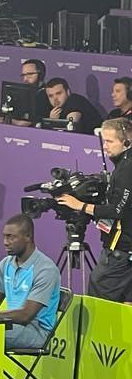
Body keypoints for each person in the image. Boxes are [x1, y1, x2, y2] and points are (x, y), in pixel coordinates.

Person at [59, 118, 132, 304]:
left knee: (99, 296)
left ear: (126, 142)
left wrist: (80, 206)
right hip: (124, 250)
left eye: (109, 141)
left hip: (121, 250)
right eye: (104, 141)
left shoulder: (127, 168)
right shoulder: (123, 164)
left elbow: (117, 210)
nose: (105, 146)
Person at [0, 214, 61, 350]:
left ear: (27, 237)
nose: (5, 242)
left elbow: (26, 315)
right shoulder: (5, 264)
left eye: (11, 237)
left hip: (37, 332)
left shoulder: (46, 269)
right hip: (12, 325)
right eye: (4, 236)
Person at [7, 58, 50, 127]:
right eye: (23, 75)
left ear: (41, 75)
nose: (25, 79)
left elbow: (27, 123)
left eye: (29, 74)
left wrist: (10, 121)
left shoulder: (49, 94)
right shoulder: (21, 94)